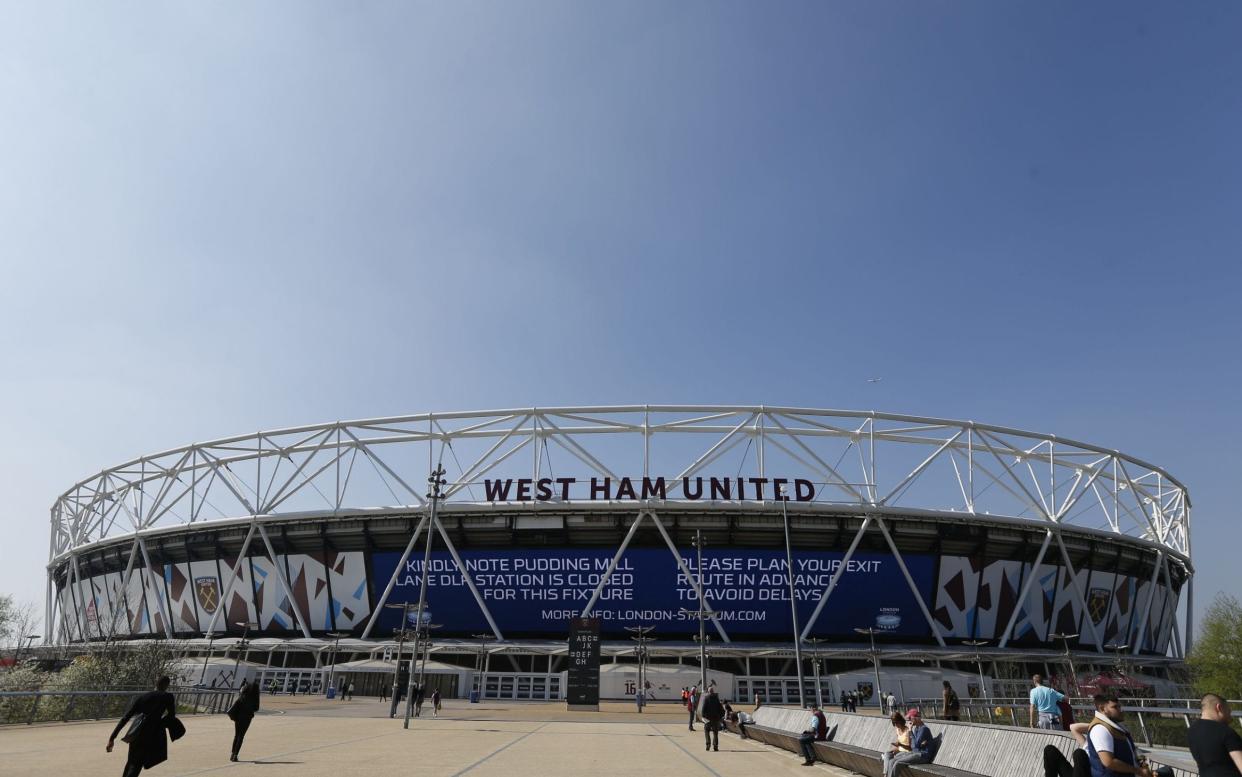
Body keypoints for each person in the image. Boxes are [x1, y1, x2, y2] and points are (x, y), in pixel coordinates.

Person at [107, 676, 178, 777]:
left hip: (136, 733)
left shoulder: (143, 697)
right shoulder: (168, 696)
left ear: (156, 684)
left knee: (131, 762)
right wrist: (160, 724)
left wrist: (112, 738)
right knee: (137, 764)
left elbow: (126, 717)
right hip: (150, 735)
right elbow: (171, 715)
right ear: (167, 685)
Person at [1085, 693, 1150, 777]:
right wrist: (1139, 771)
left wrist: (1145, 767)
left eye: (1119, 707)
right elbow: (1108, 762)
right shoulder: (1100, 729)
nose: (1120, 710)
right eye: (1115, 707)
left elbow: (1133, 750)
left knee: (1166, 771)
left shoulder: (1115, 725)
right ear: (1102, 708)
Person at [1187, 693, 1242, 777]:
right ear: (1219, 708)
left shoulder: (1192, 731)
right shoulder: (1226, 732)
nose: (1230, 717)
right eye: (1228, 711)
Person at [884, 708, 933, 777]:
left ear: (915, 718)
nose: (909, 720)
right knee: (892, 761)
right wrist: (918, 744)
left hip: (923, 756)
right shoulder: (916, 729)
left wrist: (910, 731)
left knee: (898, 763)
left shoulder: (924, 729)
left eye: (910, 718)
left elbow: (915, 745)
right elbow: (913, 746)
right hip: (915, 753)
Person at [228, 679, 261, 762]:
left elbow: (237, 704)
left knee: (236, 735)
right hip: (247, 718)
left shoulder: (243, 695)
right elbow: (256, 708)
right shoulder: (255, 698)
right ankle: (235, 755)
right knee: (241, 736)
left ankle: (232, 754)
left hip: (238, 717)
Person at [881, 711, 912, 777]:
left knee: (891, 761)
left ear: (900, 721)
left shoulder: (908, 731)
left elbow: (910, 748)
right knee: (887, 754)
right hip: (900, 751)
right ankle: (885, 774)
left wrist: (900, 745)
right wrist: (893, 749)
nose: (896, 725)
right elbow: (899, 746)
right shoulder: (897, 730)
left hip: (906, 753)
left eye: (896, 723)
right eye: (894, 723)